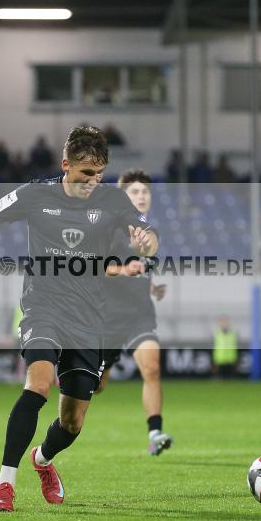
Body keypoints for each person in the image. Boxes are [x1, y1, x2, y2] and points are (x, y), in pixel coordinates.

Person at [0, 126, 158, 513]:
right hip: (43, 307)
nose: (93, 181)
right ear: (66, 165)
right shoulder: (36, 195)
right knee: (38, 384)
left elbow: (148, 235)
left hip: (89, 319)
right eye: (86, 173)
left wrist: (146, 243)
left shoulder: (112, 199)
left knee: (72, 422)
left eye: (100, 174)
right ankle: (4, 483)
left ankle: (43, 459)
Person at [99, 169, 173, 456]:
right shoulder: (108, 229)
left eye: (145, 192)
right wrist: (122, 270)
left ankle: (155, 433)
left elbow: (142, 265)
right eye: (135, 192)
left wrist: (152, 287)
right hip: (107, 318)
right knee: (96, 386)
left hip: (139, 316)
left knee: (152, 367)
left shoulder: (149, 232)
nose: (141, 196)